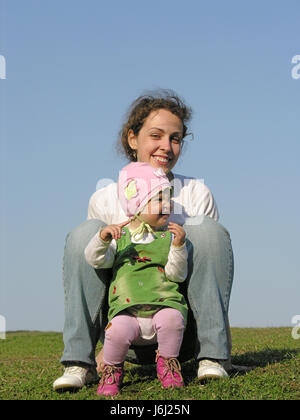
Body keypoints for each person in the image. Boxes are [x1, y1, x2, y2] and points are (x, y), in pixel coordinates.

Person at [53, 90, 234, 392]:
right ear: (132, 138)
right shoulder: (104, 199)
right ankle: (79, 363)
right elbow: (99, 273)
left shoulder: (195, 194)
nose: (167, 146)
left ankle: (212, 357)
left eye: (175, 138)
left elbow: (211, 273)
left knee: (207, 230)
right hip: (123, 329)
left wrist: (223, 345)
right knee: (86, 234)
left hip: (178, 328)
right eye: (156, 135)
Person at [84, 162, 189, 396]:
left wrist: (179, 247)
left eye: (168, 198)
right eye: (158, 200)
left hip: (163, 304)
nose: (167, 205)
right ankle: (112, 370)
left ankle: (169, 363)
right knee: (116, 331)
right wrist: (102, 238)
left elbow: (177, 274)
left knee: (173, 319)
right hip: (127, 310)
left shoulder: (169, 238)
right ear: (137, 205)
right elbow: (95, 259)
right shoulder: (120, 238)